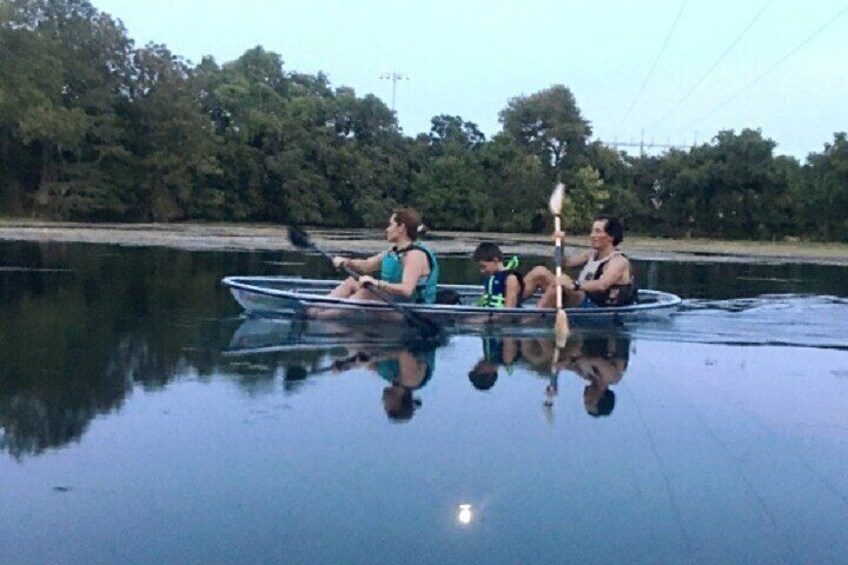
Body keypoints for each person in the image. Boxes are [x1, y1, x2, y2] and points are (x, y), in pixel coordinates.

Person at [523, 214, 636, 308]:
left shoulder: (618, 261)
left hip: (596, 308)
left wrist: (574, 285)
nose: (592, 235)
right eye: (592, 231)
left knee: (560, 284)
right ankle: (509, 308)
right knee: (540, 272)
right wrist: (561, 244)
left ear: (611, 237)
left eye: (597, 232)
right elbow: (563, 263)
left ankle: (532, 319)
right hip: (580, 300)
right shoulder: (590, 254)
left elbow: (602, 285)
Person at [330, 208, 439, 304]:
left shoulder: (415, 255)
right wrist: (347, 262)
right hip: (395, 301)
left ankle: (323, 318)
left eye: (391, 225)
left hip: (414, 310)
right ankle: (315, 311)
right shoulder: (394, 251)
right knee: (352, 281)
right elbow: (367, 265)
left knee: (366, 295)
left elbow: (406, 290)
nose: (387, 229)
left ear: (401, 227)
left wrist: (376, 283)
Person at [472, 242, 524, 308]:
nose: (482, 271)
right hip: (489, 313)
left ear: (495, 260)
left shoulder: (510, 279)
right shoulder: (490, 278)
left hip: (500, 316)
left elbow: (509, 309)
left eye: (483, 266)